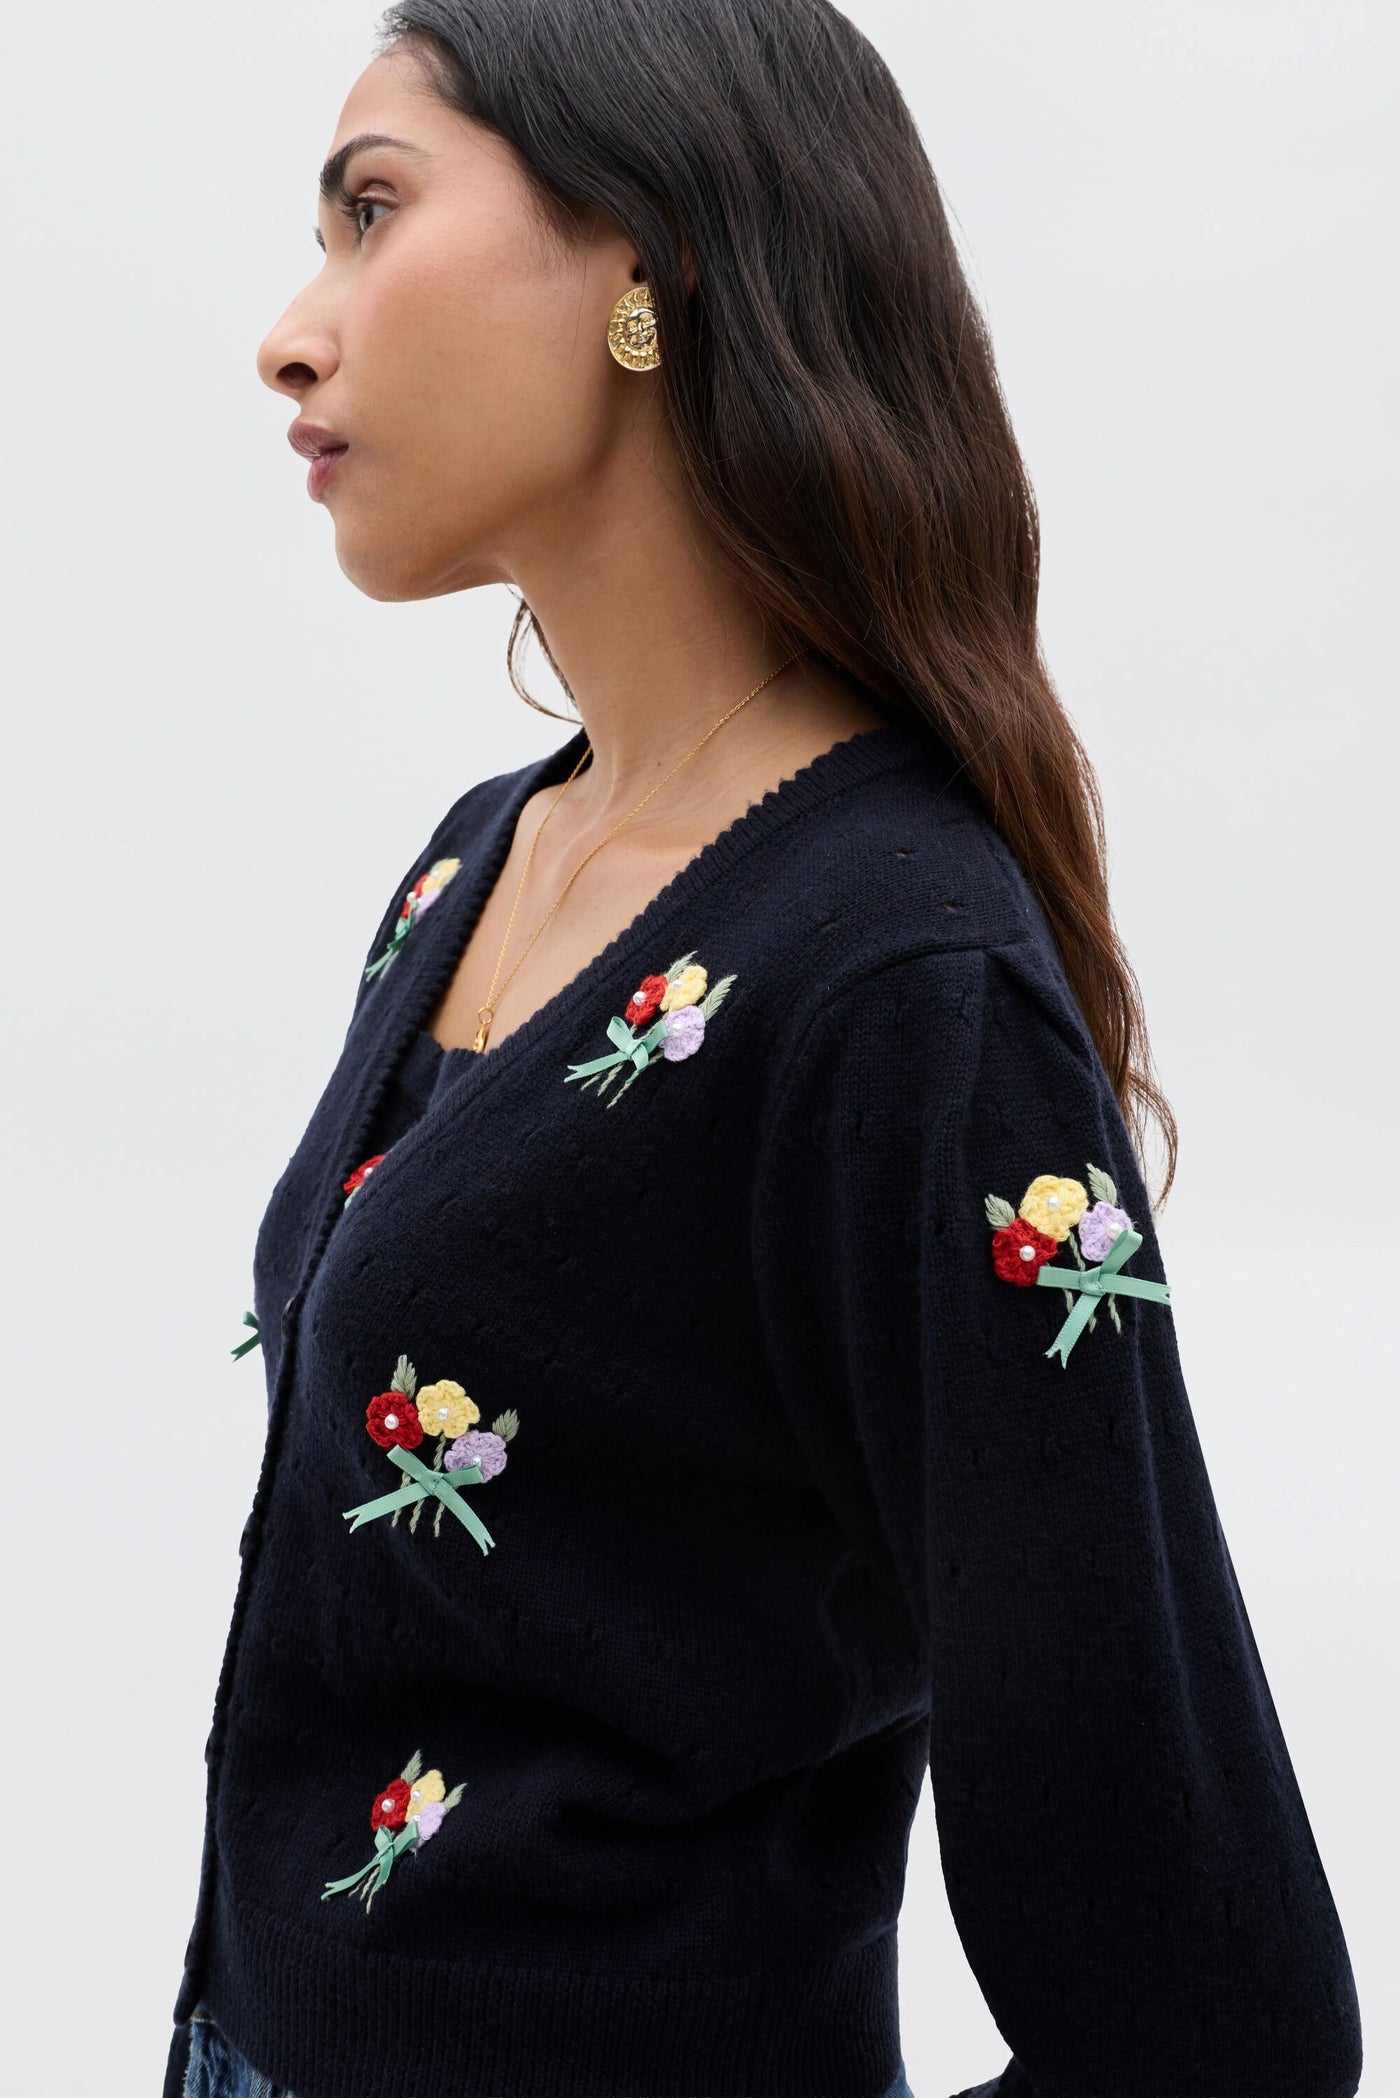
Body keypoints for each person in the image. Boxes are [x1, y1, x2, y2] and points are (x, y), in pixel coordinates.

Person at [163, 3, 1363, 2096]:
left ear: (644, 262)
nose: (292, 330)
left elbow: (1213, 2019)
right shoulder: (481, 858)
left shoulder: (899, 981)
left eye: (373, 210)